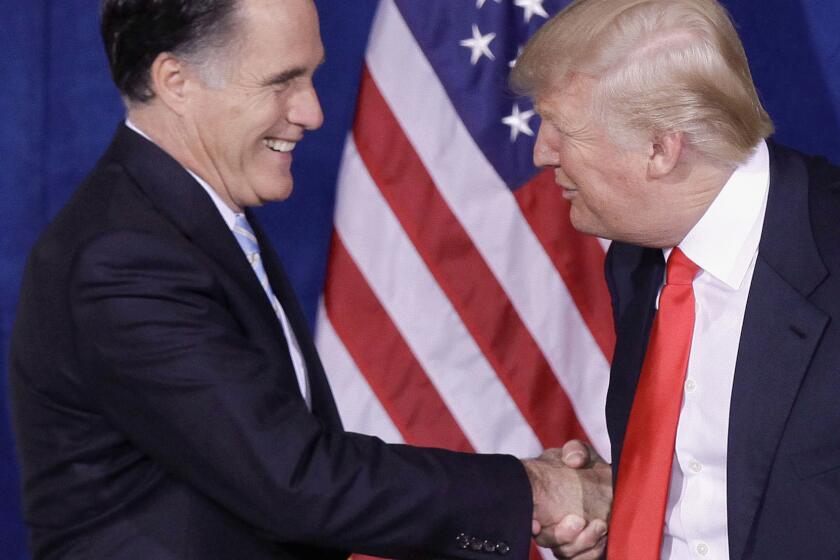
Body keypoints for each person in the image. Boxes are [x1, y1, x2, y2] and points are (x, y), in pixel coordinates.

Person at [8, 0, 612, 558]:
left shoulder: (189, 219)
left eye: (311, 76)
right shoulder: (125, 256)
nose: (312, 111)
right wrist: (534, 491)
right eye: (281, 81)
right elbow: (295, 483)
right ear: (177, 82)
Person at [512, 0, 840, 558]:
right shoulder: (637, 255)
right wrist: (635, 510)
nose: (541, 152)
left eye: (563, 129)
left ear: (662, 149)